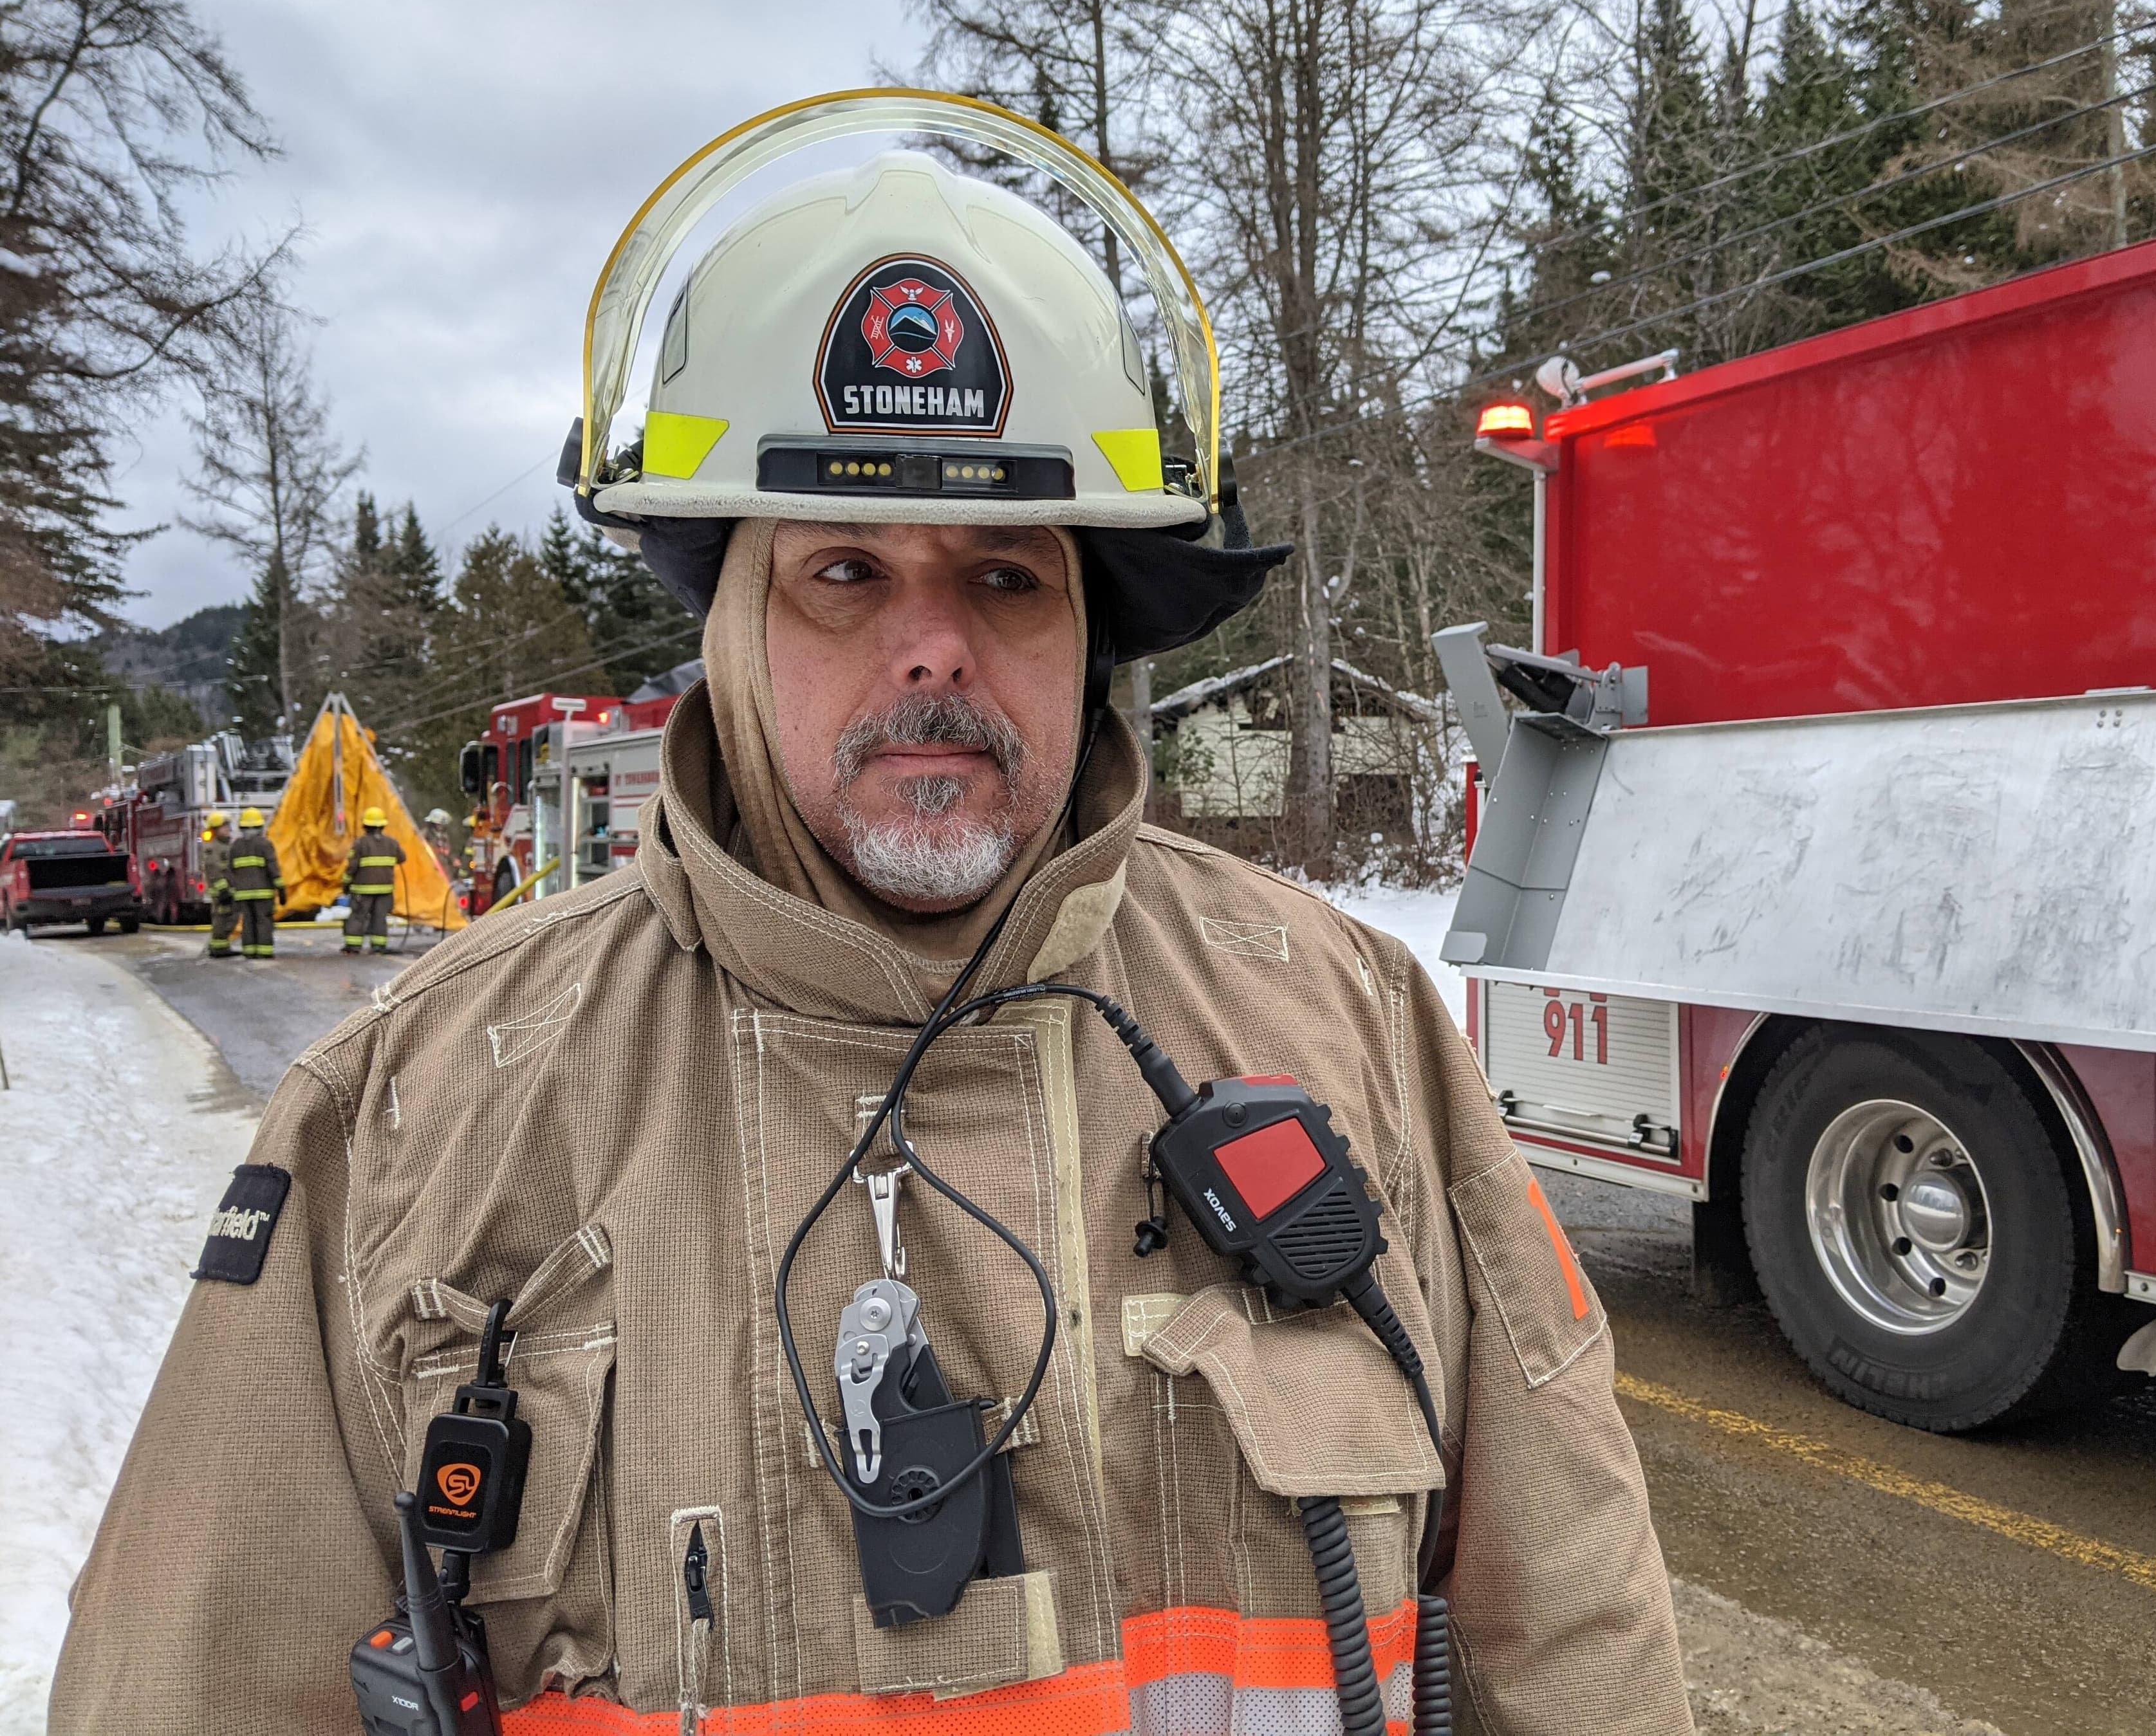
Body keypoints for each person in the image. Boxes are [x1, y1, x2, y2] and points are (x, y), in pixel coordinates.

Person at [53, 102, 1693, 1735]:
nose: (930, 648)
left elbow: (1576, 1637)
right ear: (735, 625)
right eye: (845, 571)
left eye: (1003, 577)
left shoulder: (1353, 1030)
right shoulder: (408, 1114)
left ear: (1091, 629)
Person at [341, 805, 403, 954]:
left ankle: (353, 946)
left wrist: (346, 883)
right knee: (380, 918)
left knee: (358, 916)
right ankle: (378, 946)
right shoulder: (392, 843)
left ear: (365, 826)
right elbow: (402, 858)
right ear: (383, 825)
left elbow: (352, 867)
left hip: (362, 890)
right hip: (385, 890)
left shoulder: (360, 844)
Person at [223, 805, 281, 961]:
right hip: (263, 893)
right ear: (260, 826)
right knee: (263, 921)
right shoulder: (265, 844)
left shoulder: (236, 846)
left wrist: (233, 889)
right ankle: (264, 951)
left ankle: (249, 951)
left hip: (242, 894)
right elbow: (273, 868)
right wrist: (281, 889)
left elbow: (229, 870)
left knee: (248, 923)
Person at [198, 811, 238, 959]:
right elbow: (213, 870)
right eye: (224, 826)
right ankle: (218, 948)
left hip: (230, 890)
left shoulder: (226, 845)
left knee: (231, 917)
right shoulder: (213, 847)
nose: (228, 828)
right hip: (222, 891)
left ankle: (222, 946)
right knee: (222, 918)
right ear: (215, 829)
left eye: (228, 825)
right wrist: (223, 890)